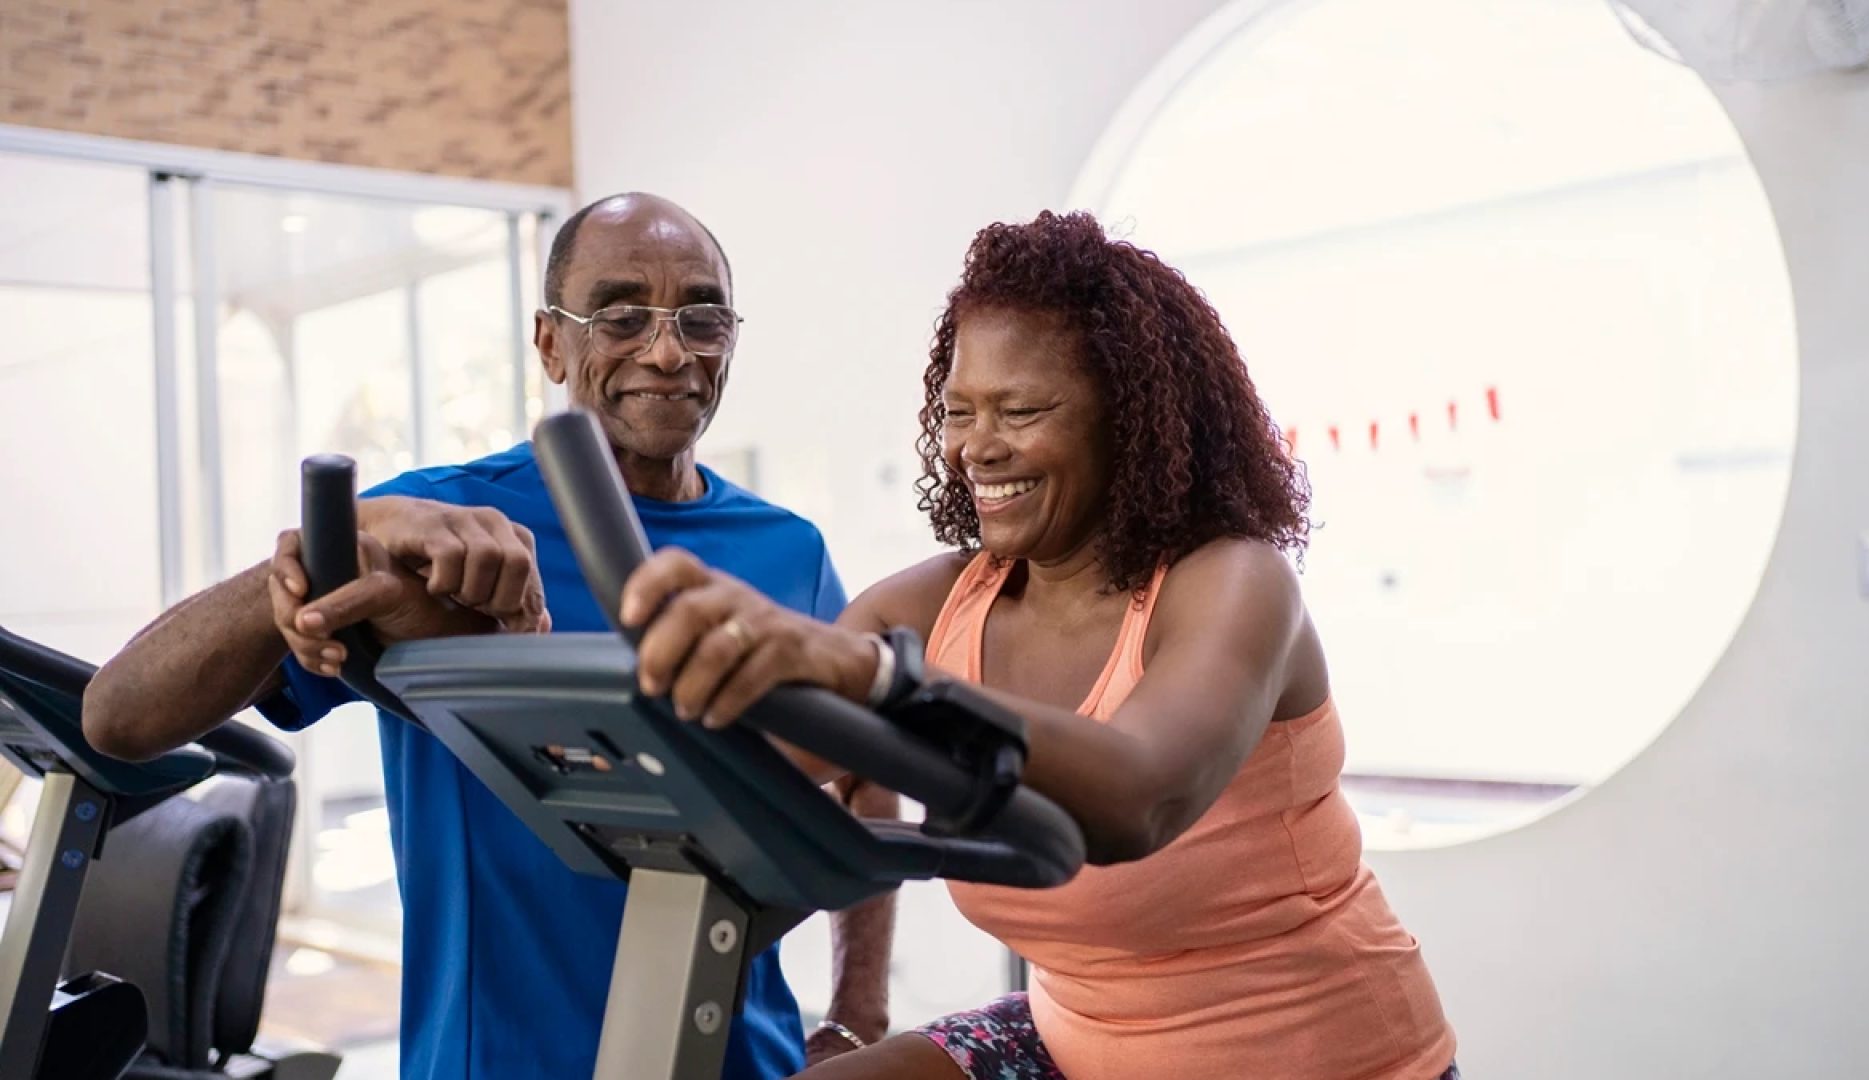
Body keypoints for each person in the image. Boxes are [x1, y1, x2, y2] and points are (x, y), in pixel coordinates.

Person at [604, 210, 1460, 1079]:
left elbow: (1141, 798)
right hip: (1079, 1038)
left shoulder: (1234, 582)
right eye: (959, 412)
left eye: (1020, 411)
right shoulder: (934, 605)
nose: (978, 448)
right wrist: (582, 677)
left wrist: (880, 681)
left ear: (1130, 421)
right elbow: (721, 775)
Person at [81, 193, 896, 1080]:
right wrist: (335, 538)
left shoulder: (789, 550)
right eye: (621, 317)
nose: (668, 352)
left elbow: (864, 770)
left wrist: (858, 1015)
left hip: (747, 1061)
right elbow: (119, 716)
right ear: (550, 344)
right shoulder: (433, 526)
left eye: (701, 318)